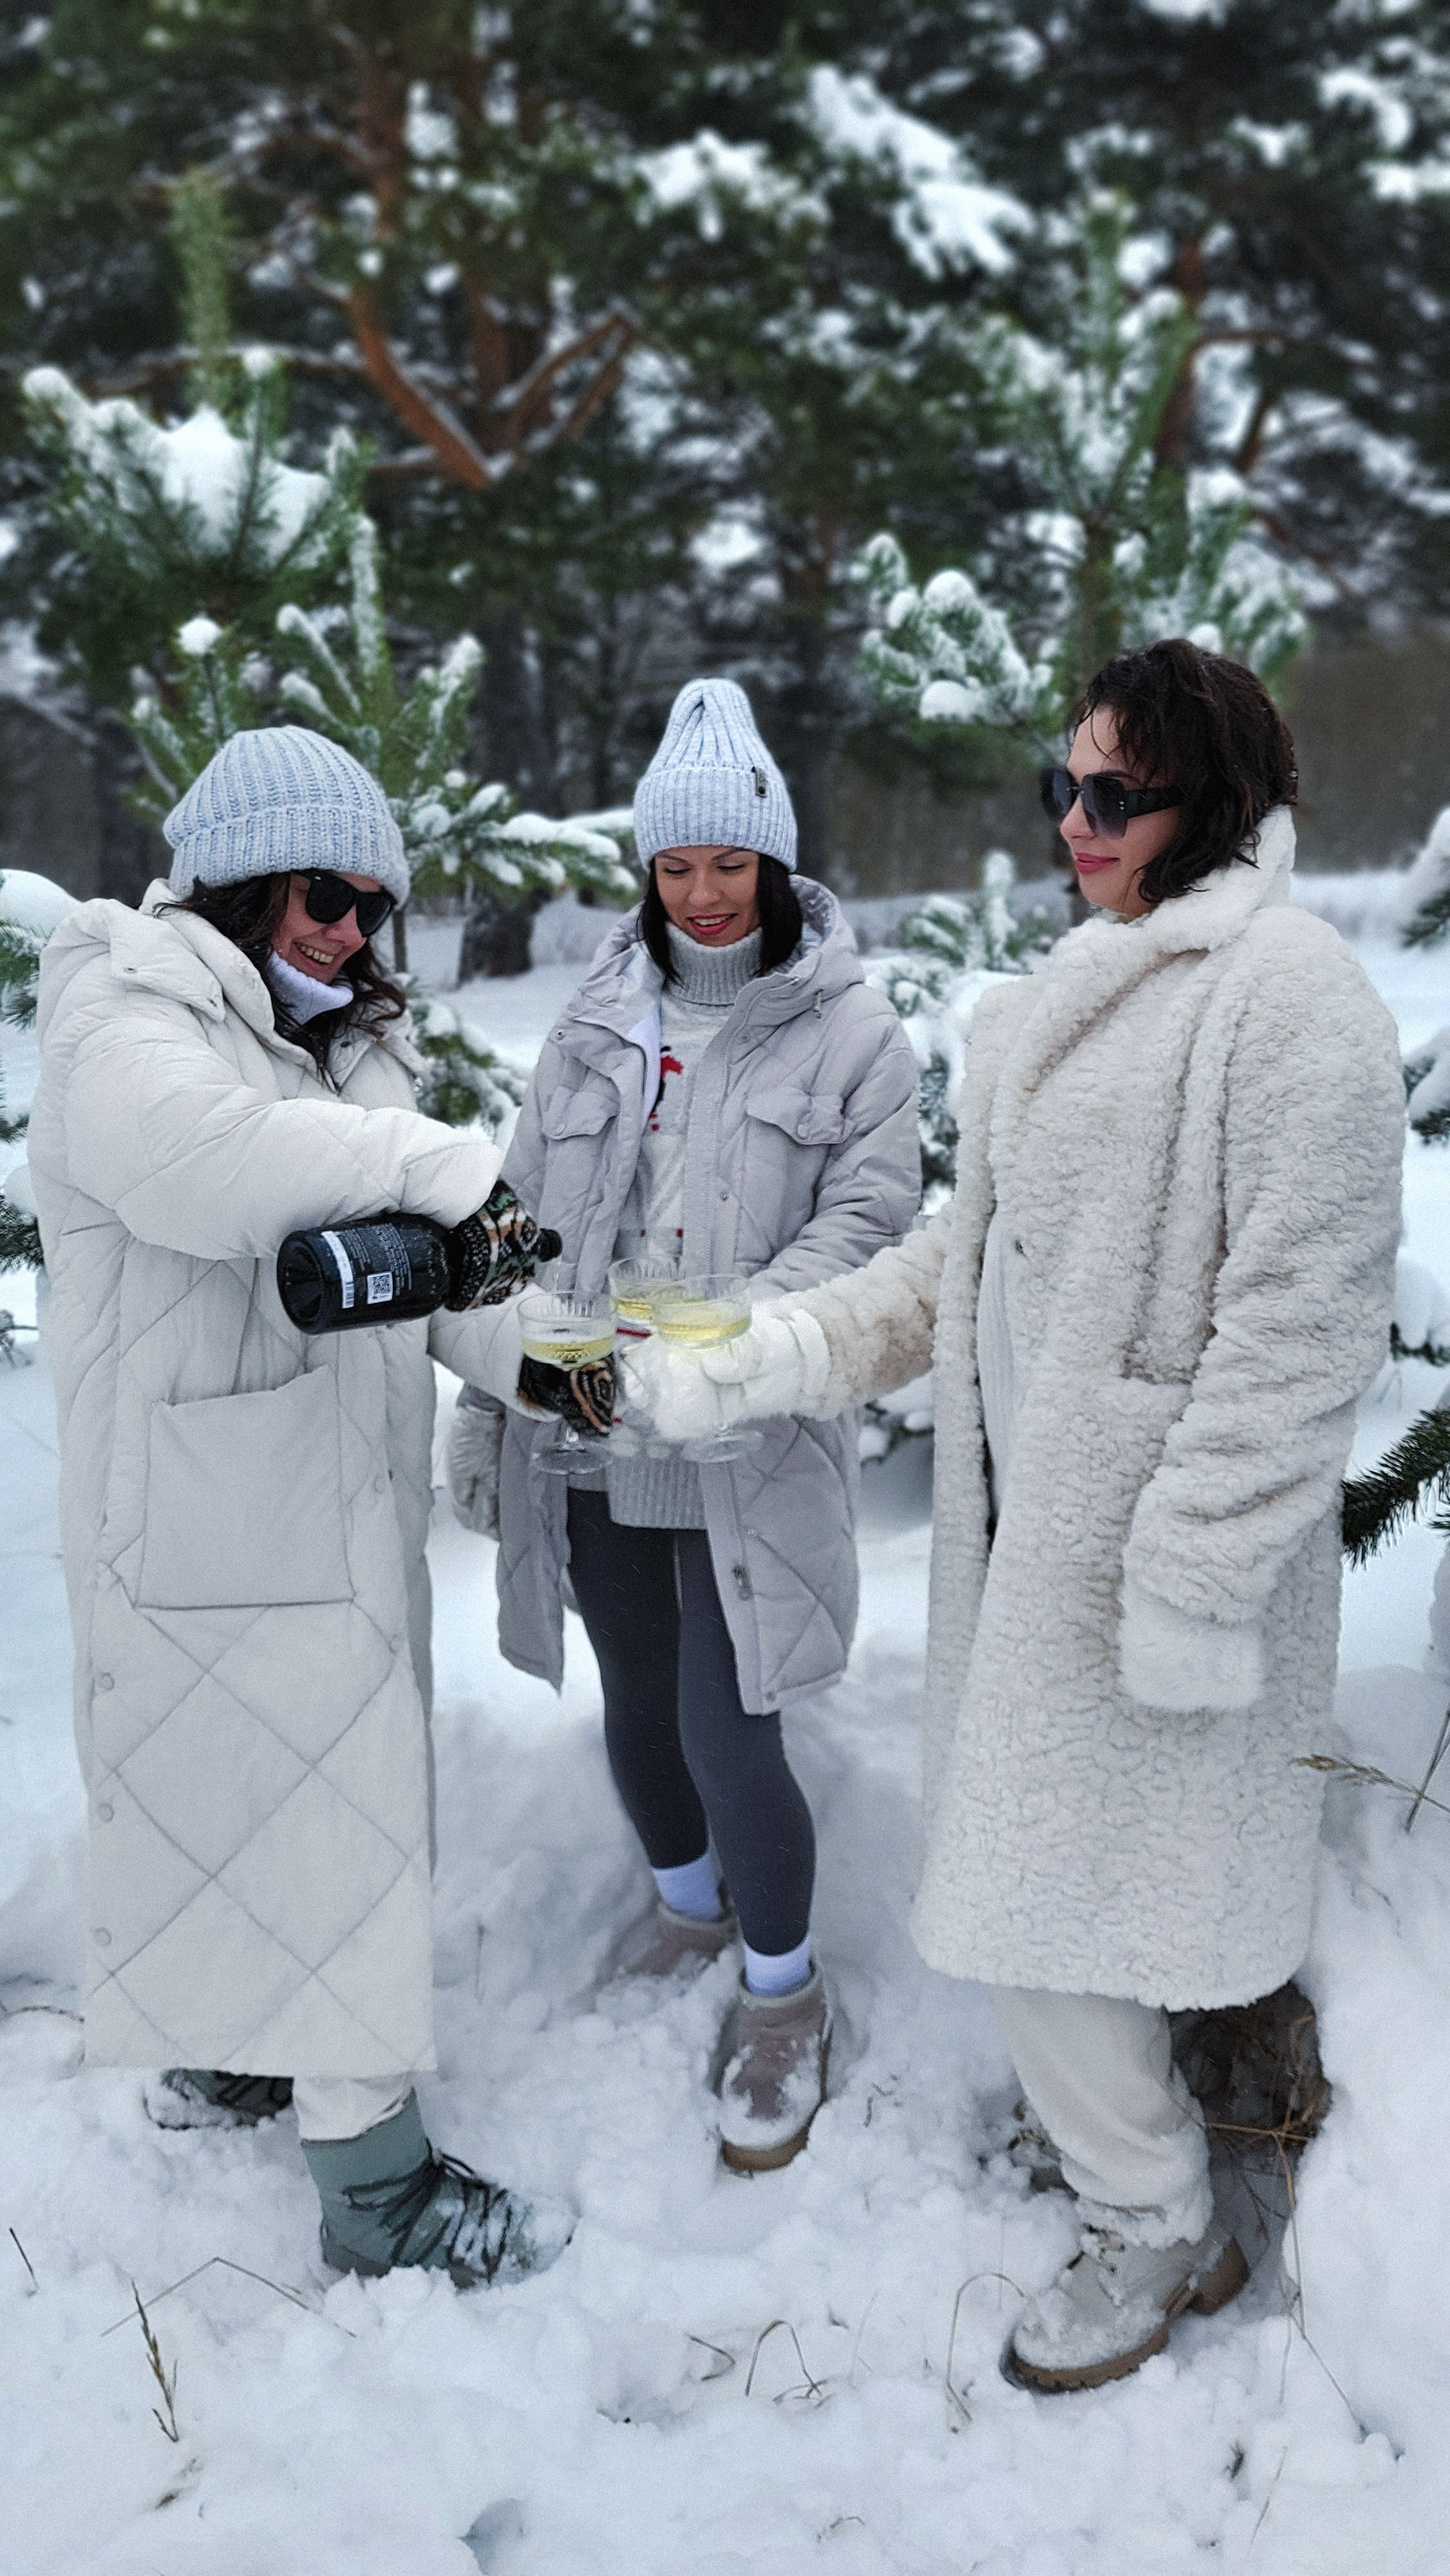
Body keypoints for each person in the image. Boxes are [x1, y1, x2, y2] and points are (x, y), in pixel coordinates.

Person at [632, 641, 1404, 2379]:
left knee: (1051, 1908)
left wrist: (1188, 1581)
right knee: (1063, 1896)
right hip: (1037, 1556)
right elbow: (946, 1269)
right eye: (1058, 785)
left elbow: (1304, 1330)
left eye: (1111, 793)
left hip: (1150, 1579)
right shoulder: (1073, 988)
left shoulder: (1289, 1001)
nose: (1072, 818)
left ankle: (1151, 2228)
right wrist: (775, 1354)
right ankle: (1128, 2154)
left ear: (1209, 802)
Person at [27, 724, 572, 2289]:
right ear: (238, 872)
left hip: (315, 1512)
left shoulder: (343, 1046)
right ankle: (377, 2191)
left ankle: (231, 2052)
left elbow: (425, 1265)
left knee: (278, 1817)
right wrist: (441, 1160)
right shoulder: (127, 1009)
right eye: (321, 891)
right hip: (203, 1525)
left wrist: (541, 1364)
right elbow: (213, 1165)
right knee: (311, 1833)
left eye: (370, 904)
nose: (345, 927)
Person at [448, 677, 920, 2170]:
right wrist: (489, 1415)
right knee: (637, 1704)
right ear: (644, 872)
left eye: (730, 865)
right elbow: (510, 1229)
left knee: (730, 1718)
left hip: (746, 1441)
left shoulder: (849, 1030)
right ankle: (682, 1903)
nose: (705, 896)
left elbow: (871, 1218)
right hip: (589, 1432)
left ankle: (781, 1990)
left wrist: (737, 1339)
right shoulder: (591, 1027)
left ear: (774, 865)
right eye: (676, 867)